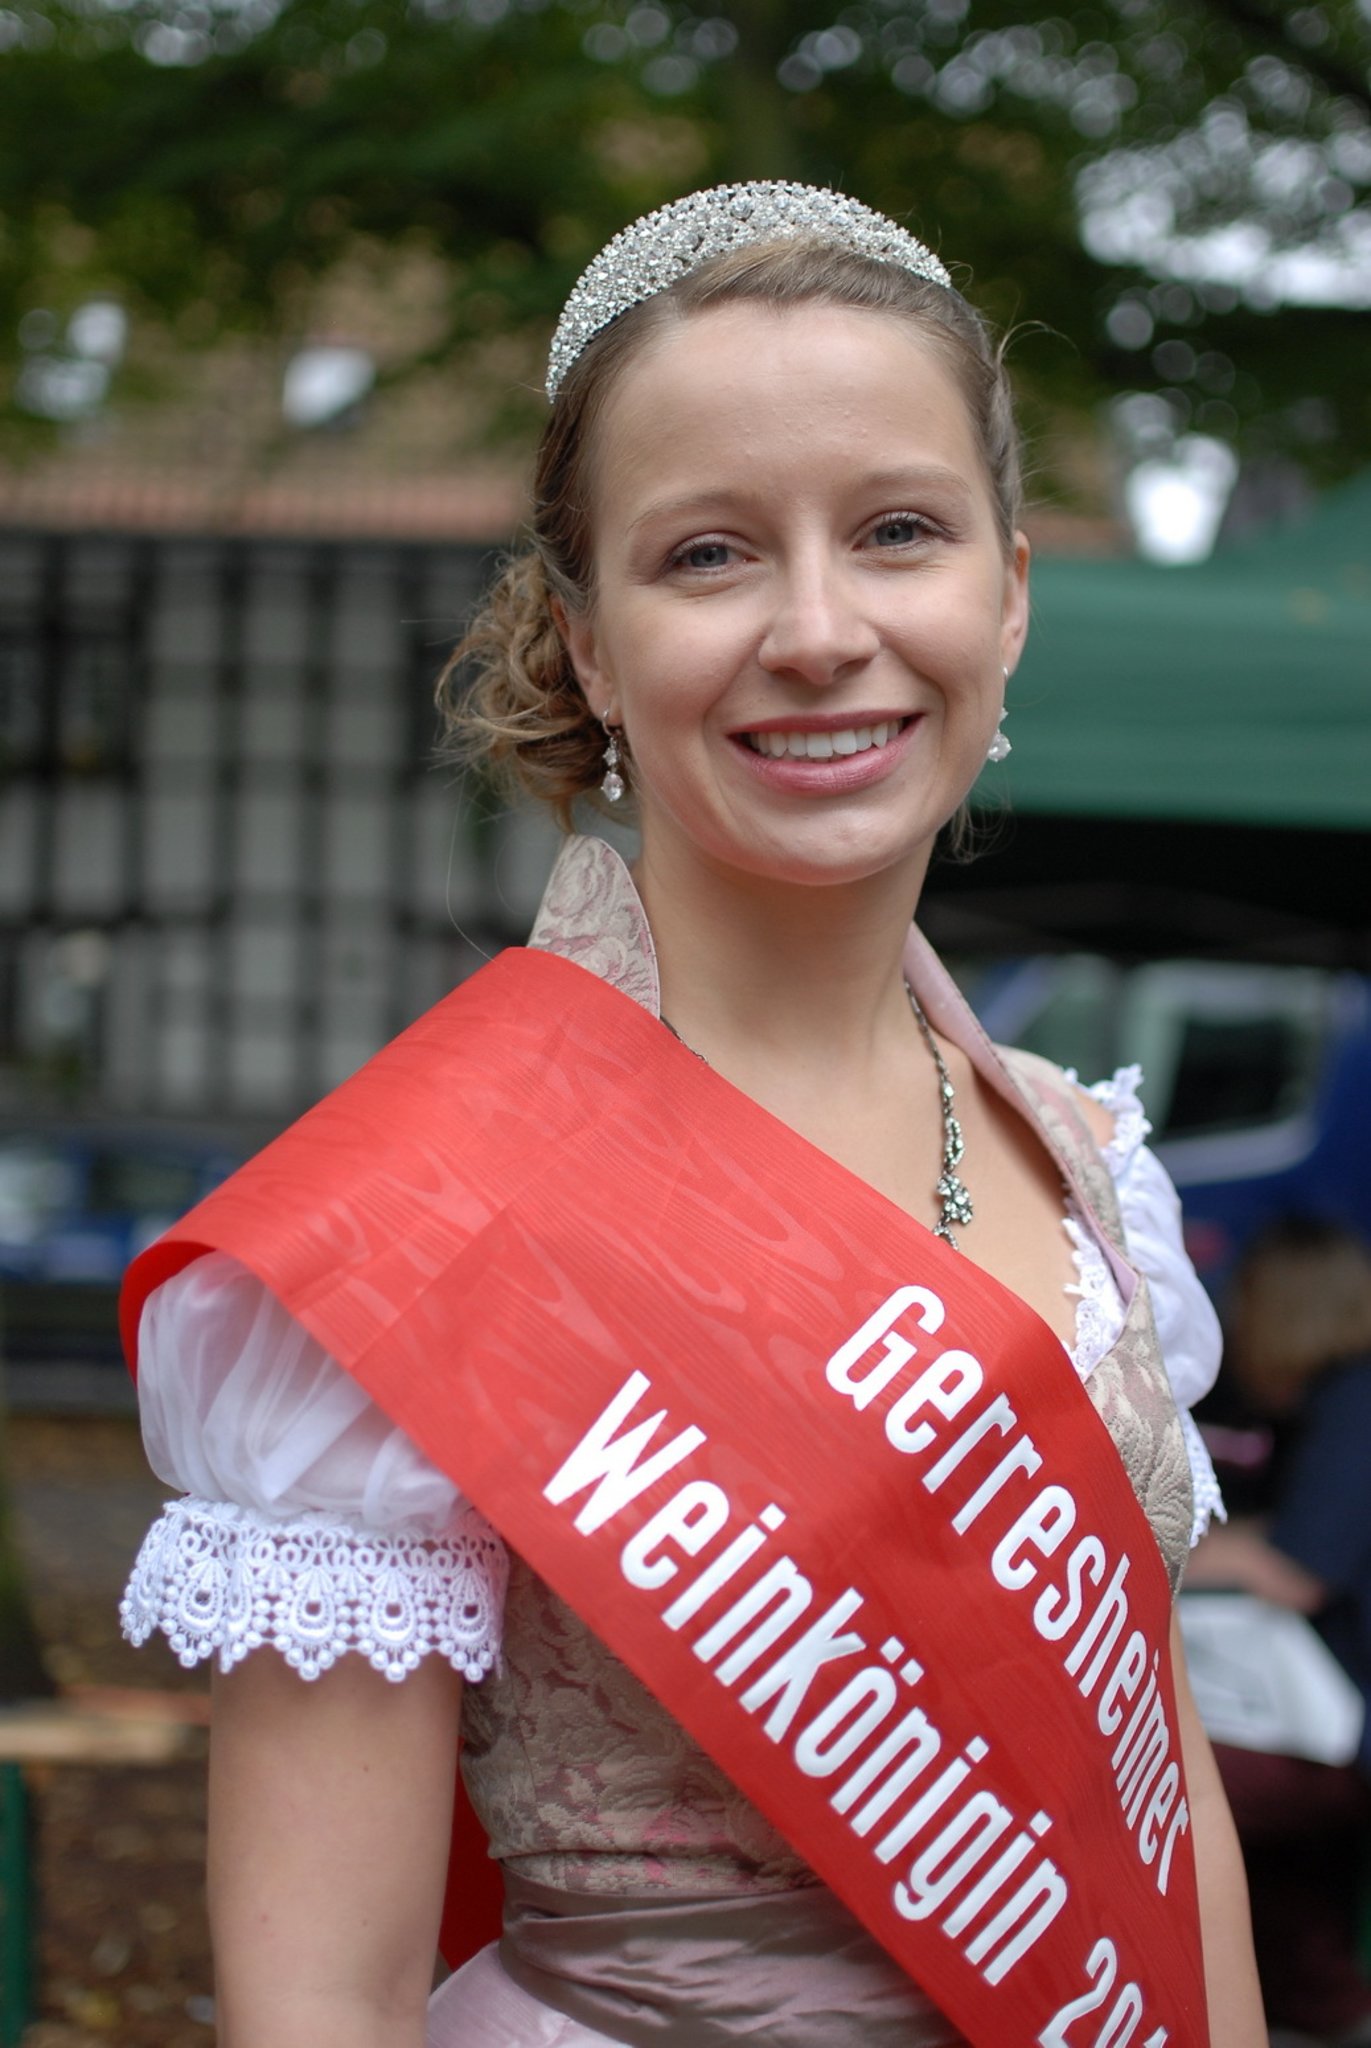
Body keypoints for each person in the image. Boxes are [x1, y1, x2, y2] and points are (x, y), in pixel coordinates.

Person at [118, 183, 1264, 2048]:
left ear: (1009, 592)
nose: (818, 630)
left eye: (896, 532)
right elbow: (321, 1994)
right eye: (708, 554)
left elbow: (1156, 1811)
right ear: (584, 641)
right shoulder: (425, 1218)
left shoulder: (1085, 1163)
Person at [1185, 1217, 1371, 2045]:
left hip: (1343, 1731)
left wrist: (1152, 1549)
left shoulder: (1353, 1406)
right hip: (1327, 1718)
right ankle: (1319, 2005)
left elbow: (1296, 1569)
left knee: (1165, 1786)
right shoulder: (1332, 1405)